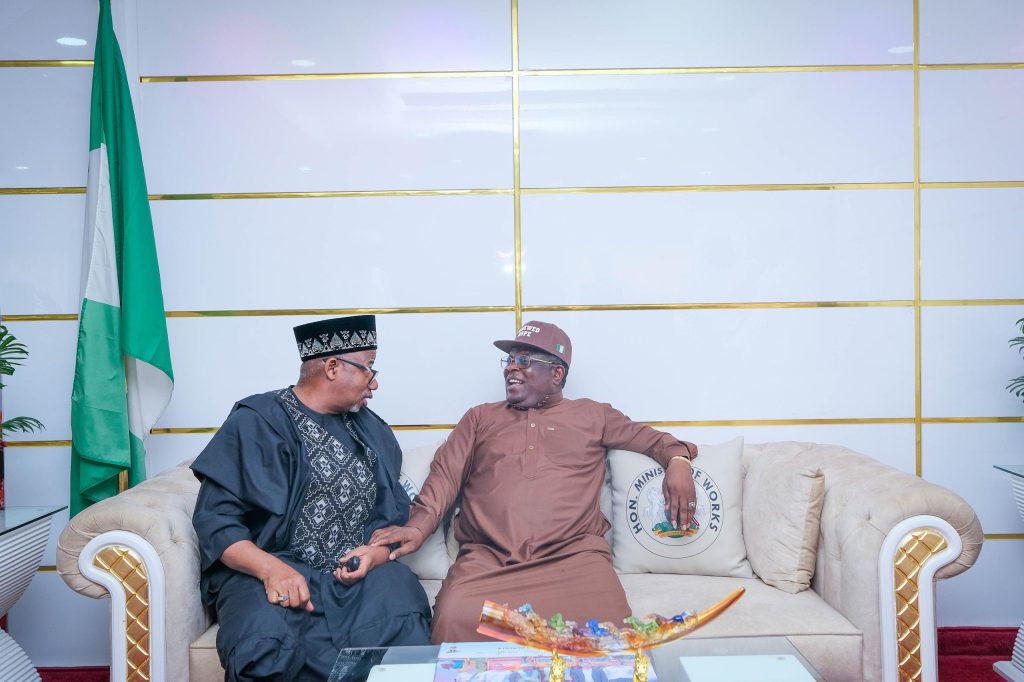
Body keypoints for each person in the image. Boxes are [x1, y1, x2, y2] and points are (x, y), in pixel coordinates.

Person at [371, 321, 697, 643]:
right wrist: (417, 527)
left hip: (574, 561)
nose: (511, 368)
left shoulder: (594, 415)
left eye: (524, 360)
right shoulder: (480, 418)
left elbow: (655, 441)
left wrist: (678, 462)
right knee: (454, 618)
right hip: (489, 562)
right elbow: (445, 476)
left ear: (556, 373)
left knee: (611, 638)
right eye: (509, 360)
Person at [191, 315, 431, 681]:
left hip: (353, 581)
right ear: (332, 367)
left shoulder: (372, 430)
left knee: (400, 602)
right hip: (269, 572)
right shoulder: (258, 421)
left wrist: (376, 555)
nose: (374, 383)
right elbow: (215, 521)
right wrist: (270, 569)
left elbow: (391, 521)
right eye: (368, 368)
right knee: (262, 641)